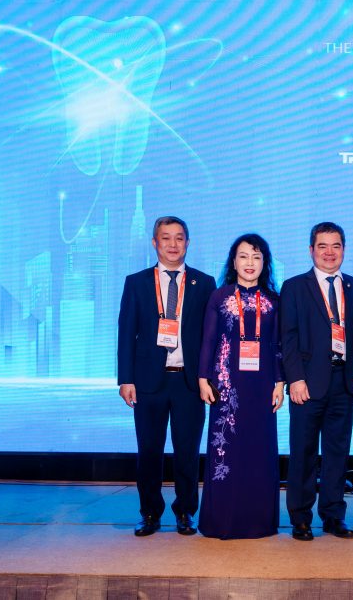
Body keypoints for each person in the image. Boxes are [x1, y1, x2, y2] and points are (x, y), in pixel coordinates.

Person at [117, 216, 216, 537]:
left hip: (189, 382)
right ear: (154, 243)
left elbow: (211, 336)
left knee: (188, 452)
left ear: (188, 242)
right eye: (166, 238)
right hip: (148, 381)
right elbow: (126, 332)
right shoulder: (137, 282)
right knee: (149, 451)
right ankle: (149, 513)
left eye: (179, 238)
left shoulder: (205, 283)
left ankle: (186, 512)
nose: (173, 244)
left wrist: (209, 378)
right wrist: (125, 378)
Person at [197, 233, 285, 539]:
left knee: (259, 451)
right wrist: (203, 378)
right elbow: (208, 339)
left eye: (257, 257)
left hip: (262, 386)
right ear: (233, 262)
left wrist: (280, 382)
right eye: (244, 256)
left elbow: (277, 345)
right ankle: (222, 520)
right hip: (226, 386)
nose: (250, 263)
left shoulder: (273, 301)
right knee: (227, 451)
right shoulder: (219, 297)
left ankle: (259, 522)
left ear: (265, 264)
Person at [280, 222, 353, 541]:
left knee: (337, 453)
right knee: (302, 453)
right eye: (322, 246)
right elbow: (287, 338)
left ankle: (333, 516)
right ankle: (300, 518)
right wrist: (295, 379)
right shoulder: (294, 287)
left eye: (336, 246)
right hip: (307, 384)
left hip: (343, 383)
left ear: (344, 249)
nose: (329, 252)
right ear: (311, 250)